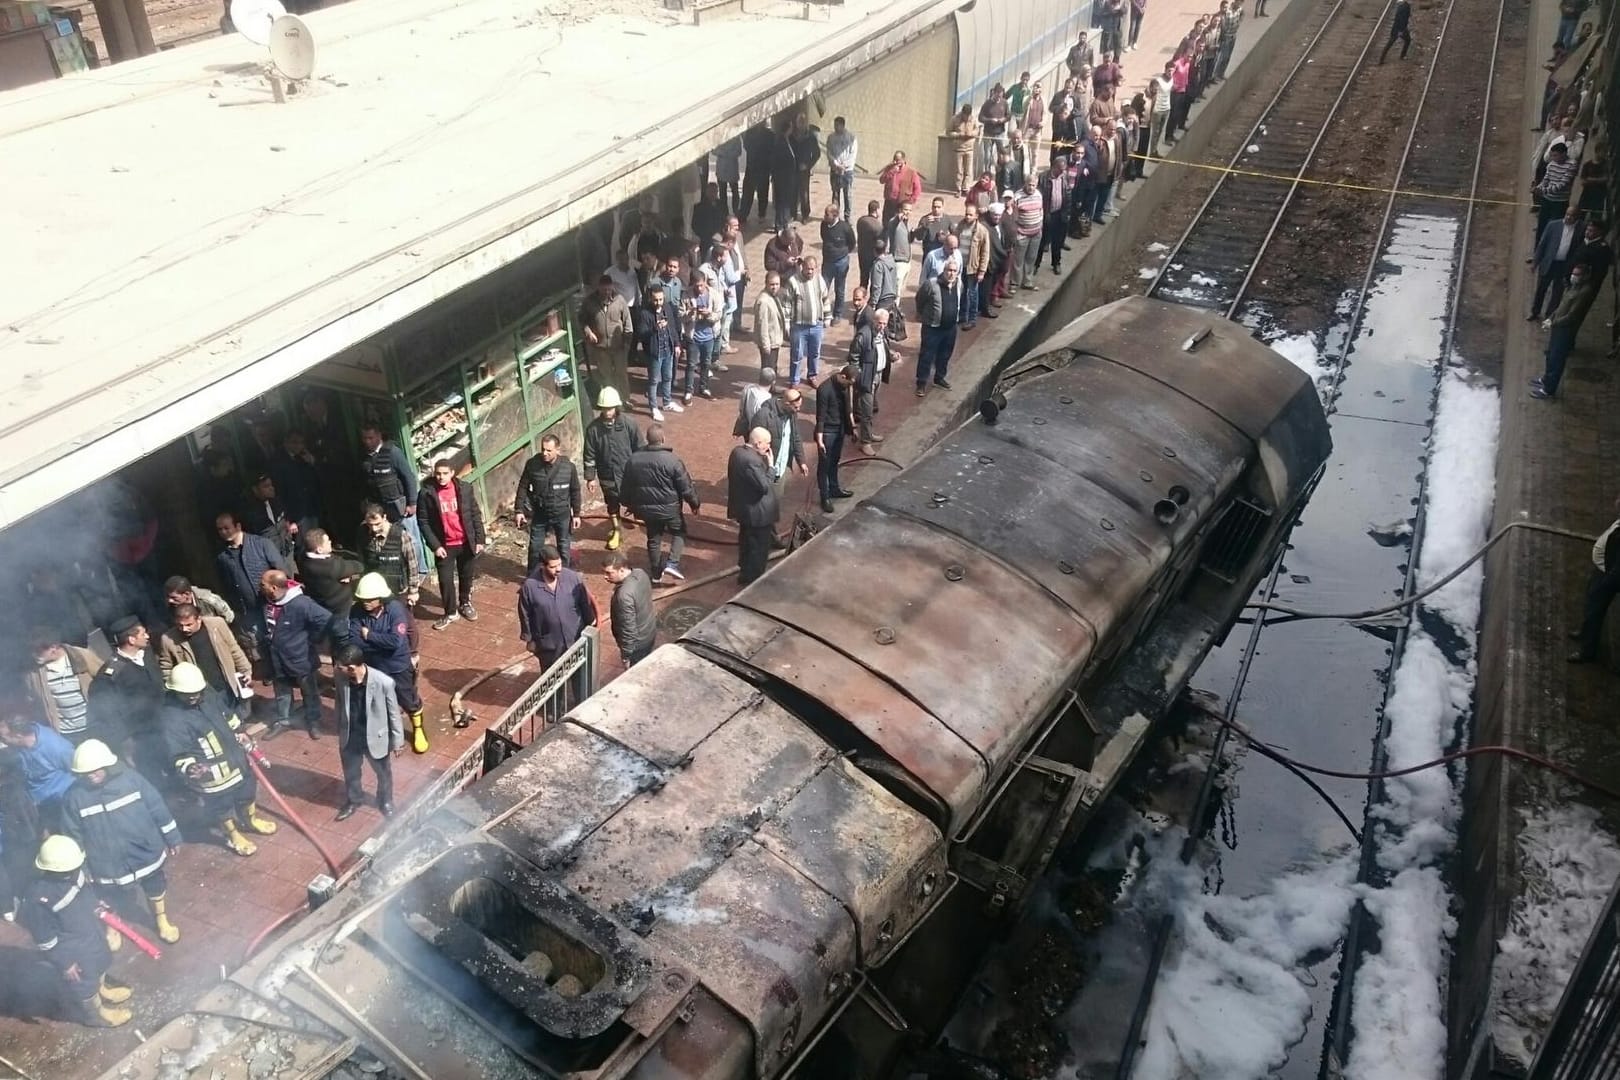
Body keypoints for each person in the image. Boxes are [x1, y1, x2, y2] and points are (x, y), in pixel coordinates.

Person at [59, 739, 182, 943]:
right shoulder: (74, 797)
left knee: (155, 885)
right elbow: (72, 835)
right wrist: (83, 868)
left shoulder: (131, 780)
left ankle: (161, 920)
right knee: (108, 894)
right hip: (105, 862)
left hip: (144, 852)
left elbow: (156, 807)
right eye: (85, 772)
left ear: (107, 764)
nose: (91, 775)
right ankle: (113, 925)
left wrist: (172, 837)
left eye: (95, 770)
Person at [161, 662, 273, 856]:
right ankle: (232, 835)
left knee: (247, 792)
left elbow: (227, 715)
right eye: (187, 694)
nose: (194, 696)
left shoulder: (208, 694)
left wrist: (240, 732)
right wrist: (191, 768)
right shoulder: (171, 717)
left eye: (197, 691)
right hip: (212, 776)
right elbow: (178, 753)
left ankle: (250, 820)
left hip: (237, 761)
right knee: (221, 807)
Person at [21, 835, 133, 1027]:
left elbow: (88, 894)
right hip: (73, 951)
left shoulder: (76, 872)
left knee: (101, 962)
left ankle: (102, 989)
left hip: (91, 935)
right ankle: (95, 1015)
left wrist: (101, 906)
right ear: (51, 870)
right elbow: (46, 939)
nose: (75, 872)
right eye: (69, 870)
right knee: (84, 983)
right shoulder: (38, 899)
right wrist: (65, 964)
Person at [349, 573, 428, 754]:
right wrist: (379, 644)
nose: (365, 602)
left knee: (409, 699)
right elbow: (354, 640)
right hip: (374, 667)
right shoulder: (356, 611)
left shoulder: (396, 610)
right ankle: (387, 732)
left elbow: (396, 642)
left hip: (397, 665)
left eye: (370, 599)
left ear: (380, 598)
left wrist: (369, 636)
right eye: (362, 599)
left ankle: (418, 728)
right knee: (379, 701)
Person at [621, 424, 702, 582]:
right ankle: (672, 563)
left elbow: (626, 487)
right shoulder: (672, 461)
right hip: (670, 509)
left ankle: (656, 573)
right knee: (679, 532)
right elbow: (686, 487)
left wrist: (628, 505)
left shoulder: (633, 460)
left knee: (653, 538)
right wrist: (695, 504)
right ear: (663, 439)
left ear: (647, 439)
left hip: (647, 510)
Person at [88, 616, 166, 778]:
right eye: (143, 634)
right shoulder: (112, 673)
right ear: (131, 639)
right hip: (142, 737)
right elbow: (108, 713)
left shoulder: (147, 654)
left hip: (164, 725)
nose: (147, 636)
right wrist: (125, 741)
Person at [260, 570, 335, 739]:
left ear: (273, 587)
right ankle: (283, 720)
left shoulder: (301, 603)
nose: (260, 587)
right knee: (282, 691)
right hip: (276, 657)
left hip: (300, 658)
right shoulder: (267, 600)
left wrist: (312, 639)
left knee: (309, 691)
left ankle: (313, 720)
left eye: (262, 584)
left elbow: (326, 619)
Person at [332, 644, 403, 820]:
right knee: (351, 772)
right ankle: (354, 799)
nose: (336, 668)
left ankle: (385, 801)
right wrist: (338, 727)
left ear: (351, 667)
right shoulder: (341, 677)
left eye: (339, 665)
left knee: (383, 773)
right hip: (350, 736)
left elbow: (394, 713)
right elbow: (339, 703)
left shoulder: (383, 683)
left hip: (375, 737)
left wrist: (397, 742)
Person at [417, 459, 485, 629]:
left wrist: (480, 539)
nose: (441, 477)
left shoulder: (465, 489)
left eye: (445, 473)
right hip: (444, 546)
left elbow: (475, 514)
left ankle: (465, 603)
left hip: (465, 541)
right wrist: (435, 545)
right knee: (445, 580)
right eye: (438, 473)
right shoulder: (427, 493)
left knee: (466, 575)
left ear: (452, 473)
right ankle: (450, 612)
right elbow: (423, 521)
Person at [582, 387, 644, 552]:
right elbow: (589, 454)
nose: (607, 412)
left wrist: (642, 469)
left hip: (629, 474)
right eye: (604, 408)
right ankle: (617, 530)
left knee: (636, 500)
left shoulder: (629, 424)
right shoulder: (593, 429)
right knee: (612, 504)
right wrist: (590, 477)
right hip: (607, 475)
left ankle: (638, 513)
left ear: (616, 406)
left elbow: (640, 448)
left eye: (610, 408)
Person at [214, 509, 289, 643]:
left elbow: (281, 572)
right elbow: (226, 585)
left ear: (238, 526)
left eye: (227, 528)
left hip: (272, 607)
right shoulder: (223, 556)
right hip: (249, 613)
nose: (223, 532)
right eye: (220, 530)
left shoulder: (261, 544)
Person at [518, 545, 599, 669]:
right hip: (549, 645)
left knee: (580, 676)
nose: (558, 569)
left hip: (575, 639)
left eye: (560, 564)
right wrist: (529, 639)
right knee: (553, 681)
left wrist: (591, 623)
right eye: (553, 567)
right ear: (542, 566)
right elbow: (525, 614)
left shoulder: (573, 578)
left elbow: (584, 603)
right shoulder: (530, 587)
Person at [158, 603, 253, 703]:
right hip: (200, 692)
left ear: (199, 619)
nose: (184, 629)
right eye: (180, 625)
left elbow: (233, 649)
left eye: (189, 625)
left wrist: (246, 671)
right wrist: (180, 691)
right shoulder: (168, 639)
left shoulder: (217, 625)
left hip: (227, 683)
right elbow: (166, 668)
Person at [1532, 262, 1597, 399]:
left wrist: (1554, 323)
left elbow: (1572, 315)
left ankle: (1549, 390)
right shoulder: (1573, 287)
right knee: (1550, 354)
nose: (1574, 276)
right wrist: (1551, 318)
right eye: (1574, 273)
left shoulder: (1584, 292)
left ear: (1585, 276)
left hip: (1565, 330)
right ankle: (1545, 380)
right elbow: (1562, 305)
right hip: (1557, 326)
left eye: (1577, 274)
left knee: (1557, 359)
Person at [0, 715, 76, 832]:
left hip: (60, 801)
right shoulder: (19, 745)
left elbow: (76, 770)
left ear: (18, 736)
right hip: (35, 800)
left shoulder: (56, 748)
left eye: (4, 739)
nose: (2, 742)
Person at [24, 630, 100, 744]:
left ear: (53, 647)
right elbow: (33, 701)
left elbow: (104, 678)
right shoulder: (34, 673)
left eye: (38, 651)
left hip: (96, 725)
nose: (34, 655)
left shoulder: (81, 656)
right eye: (31, 651)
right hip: (68, 734)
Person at [1569, 494, 1620, 663]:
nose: (1616, 502)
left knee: (1595, 613)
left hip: (1607, 576)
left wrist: (1606, 583)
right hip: (1601, 569)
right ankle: (1584, 633)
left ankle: (1587, 652)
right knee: (1590, 605)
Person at [728, 428, 781, 586]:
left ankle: (744, 573)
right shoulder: (753, 461)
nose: (769, 446)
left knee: (745, 543)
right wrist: (771, 467)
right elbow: (764, 486)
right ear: (758, 443)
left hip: (745, 510)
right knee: (758, 549)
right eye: (767, 443)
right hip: (758, 514)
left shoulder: (737, 453)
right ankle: (753, 580)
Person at [749, 385, 809, 510]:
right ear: (786, 403)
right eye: (796, 407)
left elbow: (795, 437)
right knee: (760, 504)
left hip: (780, 469)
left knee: (774, 503)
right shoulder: (764, 415)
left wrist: (801, 461)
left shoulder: (791, 414)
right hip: (765, 470)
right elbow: (755, 445)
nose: (798, 410)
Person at [360, 501, 425, 616]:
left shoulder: (401, 536)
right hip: (375, 591)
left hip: (398, 591)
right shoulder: (363, 533)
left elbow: (412, 564)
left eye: (377, 524)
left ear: (385, 517)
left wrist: (413, 591)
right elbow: (362, 560)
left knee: (403, 623)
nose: (374, 529)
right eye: (370, 525)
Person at [580, 274, 634, 400]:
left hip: (619, 347)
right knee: (606, 376)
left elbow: (628, 324)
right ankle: (611, 401)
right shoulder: (589, 302)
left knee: (621, 375)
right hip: (601, 348)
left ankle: (625, 400)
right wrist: (588, 332)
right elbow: (582, 320)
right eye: (604, 290)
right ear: (598, 288)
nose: (607, 292)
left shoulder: (620, 300)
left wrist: (626, 345)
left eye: (609, 289)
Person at [296, 528, 365, 623]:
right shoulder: (330, 567)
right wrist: (352, 576)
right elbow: (358, 567)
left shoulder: (303, 558)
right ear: (319, 550)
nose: (330, 542)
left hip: (320, 601)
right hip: (339, 606)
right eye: (327, 541)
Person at [783, 255, 832, 387]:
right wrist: (787, 323)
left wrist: (828, 317)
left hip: (817, 325)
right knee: (797, 355)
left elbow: (825, 298)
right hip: (799, 326)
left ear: (816, 268)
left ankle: (812, 375)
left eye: (812, 269)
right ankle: (794, 380)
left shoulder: (819, 279)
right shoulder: (793, 281)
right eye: (807, 269)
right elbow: (786, 304)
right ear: (802, 267)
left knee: (815, 353)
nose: (810, 272)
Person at [814, 365, 857, 514]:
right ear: (843, 377)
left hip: (839, 429)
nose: (850, 386)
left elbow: (848, 408)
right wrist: (819, 440)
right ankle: (824, 496)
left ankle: (834, 488)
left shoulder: (845, 387)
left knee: (835, 461)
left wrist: (852, 427)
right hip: (827, 431)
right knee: (824, 465)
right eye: (850, 383)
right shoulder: (824, 390)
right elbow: (820, 416)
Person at [358, 424, 419, 527]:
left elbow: (409, 477)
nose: (367, 442)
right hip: (381, 510)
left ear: (379, 436)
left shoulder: (393, 453)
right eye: (365, 438)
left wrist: (412, 503)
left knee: (411, 539)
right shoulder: (364, 457)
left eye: (371, 438)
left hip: (401, 509)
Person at [916, 262, 963, 398]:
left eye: (954, 271)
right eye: (949, 270)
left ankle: (939, 377)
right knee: (927, 356)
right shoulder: (931, 284)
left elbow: (960, 300)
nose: (951, 273)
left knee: (945, 354)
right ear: (944, 270)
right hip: (932, 328)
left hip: (950, 328)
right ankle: (921, 382)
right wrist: (922, 314)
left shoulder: (959, 284)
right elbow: (920, 299)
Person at [1530, 208, 1585, 321]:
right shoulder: (1553, 225)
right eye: (1567, 214)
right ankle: (1535, 312)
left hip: (1564, 266)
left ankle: (1549, 316)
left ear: (1577, 218)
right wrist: (1535, 262)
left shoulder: (1581, 229)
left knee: (1557, 293)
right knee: (1541, 289)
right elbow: (1542, 244)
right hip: (1549, 263)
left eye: (1572, 216)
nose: (1568, 217)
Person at [851, 308, 893, 454]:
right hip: (867, 378)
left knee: (872, 407)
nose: (882, 326)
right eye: (879, 323)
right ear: (873, 321)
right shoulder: (863, 335)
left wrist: (891, 355)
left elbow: (883, 349)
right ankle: (865, 442)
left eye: (884, 323)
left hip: (878, 375)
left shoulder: (882, 333)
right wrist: (860, 376)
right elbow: (853, 359)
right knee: (866, 410)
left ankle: (868, 433)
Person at [603, 553, 657, 667]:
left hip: (637, 647)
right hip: (649, 632)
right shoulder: (640, 573)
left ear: (621, 570)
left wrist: (626, 656)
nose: (605, 576)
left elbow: (628, 628)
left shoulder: (624, 596)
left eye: (609, 573)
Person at [638, 284, 682, 422]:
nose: (659, 303)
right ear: (650, 299)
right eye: (656, 300)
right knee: (653, 381)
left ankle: (667, 402)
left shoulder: (667, 308)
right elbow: (641, 334)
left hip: (667, 349)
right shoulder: (645, 313)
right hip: (654, 352)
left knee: (668, 377)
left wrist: (676, 344)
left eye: (661, 299)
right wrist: (654, 328)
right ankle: (654, 407)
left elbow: (673, 327)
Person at [269, 430, 324, 533]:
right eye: (294, 442)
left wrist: (312, 463)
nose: (298, 446)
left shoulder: (303, 457)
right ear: (286, 442)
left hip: (311, 507)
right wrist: (289, 518)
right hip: (295, 512)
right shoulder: (278, 462)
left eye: (301, 443)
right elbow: (280, 491)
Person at [820, 204, 858, 323]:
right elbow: (823, 237)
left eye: (827, 214)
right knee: (823, 288)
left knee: (839, 289)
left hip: (841, 262)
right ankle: (823, 312)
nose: (825, 216)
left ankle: (838, 313)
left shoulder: (845, 228)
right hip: (827, 262)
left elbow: (852, 242)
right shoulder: (824, 225)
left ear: (835, 215)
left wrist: (843, 252)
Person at [740, 121, 775, 222]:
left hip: (759, 166)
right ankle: (747, 214)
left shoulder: (767, 134)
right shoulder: (766, 134)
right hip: (756, 166)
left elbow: (746, 146)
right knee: (750, 192)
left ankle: (755, 214)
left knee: (759, 192)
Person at [164, 575, 234, 625]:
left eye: (174, 598)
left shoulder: (209, 600)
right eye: (167, 596)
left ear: (187, 594)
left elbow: (229, 618)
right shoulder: (171, 607)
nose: (170, 600)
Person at [826, 116, 858, 219]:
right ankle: (835, 215)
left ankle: (847, 216)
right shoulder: (831, 137)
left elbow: (852, 155)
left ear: (843, 125)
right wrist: (836, 164)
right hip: (835, 169)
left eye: (837, 125)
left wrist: (844, 166)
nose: (835, 127)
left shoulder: (851, 138)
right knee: (835, 193)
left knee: (847, 194)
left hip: (847, 171)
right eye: (834, 125)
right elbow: (829, 152)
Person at [879, 150, 923, 224]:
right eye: (895, 159)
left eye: (898, 160)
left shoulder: (911, 172)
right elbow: (882, 180)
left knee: (900, 224)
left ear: (903, 160)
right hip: (889, 202)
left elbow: (917, 189)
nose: (896, 162)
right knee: (886, 223)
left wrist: (911, 201)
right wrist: (892, 171)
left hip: (902, 203)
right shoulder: (889, 168)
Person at [735, 367, 777, 438]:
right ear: (773, 382)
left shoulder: (748, 387)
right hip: (757, 433)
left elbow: (741, 407)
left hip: (746, 427)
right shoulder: (767, 399)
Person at [949, 106, 979, 196]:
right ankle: (958, 189)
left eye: (968, 115)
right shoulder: (955, 119)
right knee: (959, 170)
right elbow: (949, 132)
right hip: (959, 148)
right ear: (962, 113)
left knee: (968, 170)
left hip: (970, 148)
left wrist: (972, 134)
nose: (966, 117)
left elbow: (977, 130)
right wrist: (958, 134)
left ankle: (966, 188)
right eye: (965, 115)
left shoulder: (973, 119)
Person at [855, 200, 884, 289]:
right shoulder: (878, 226)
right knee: (875, 280)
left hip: (862, 254)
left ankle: (862, 294)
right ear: (876, 210)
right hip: (872, 256)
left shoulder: (861, 220)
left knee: (863, 279)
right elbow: (880, 243)